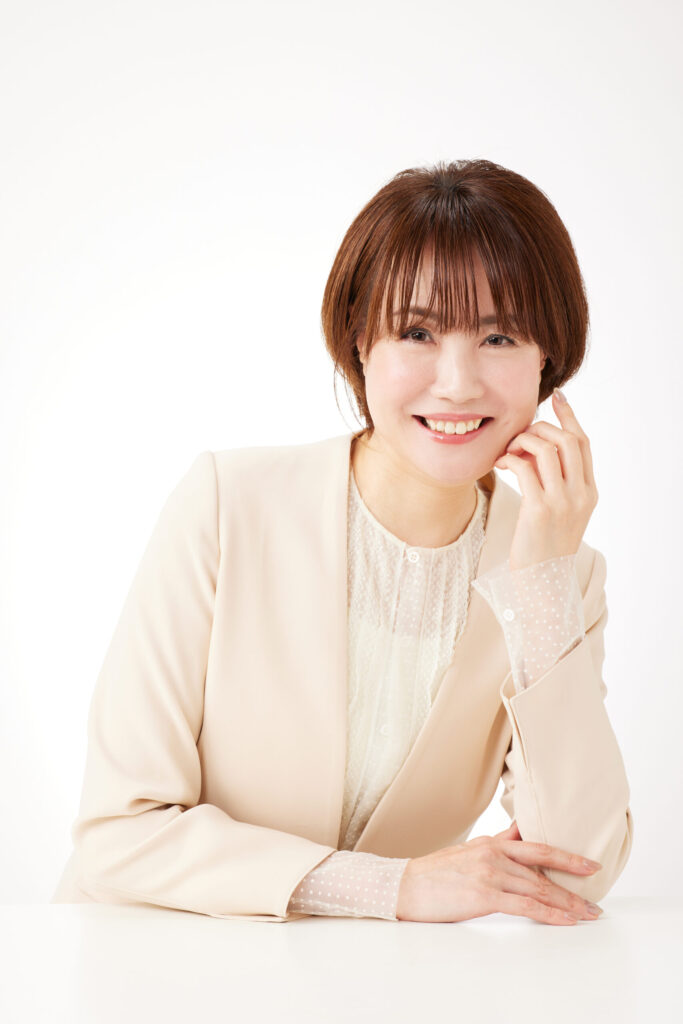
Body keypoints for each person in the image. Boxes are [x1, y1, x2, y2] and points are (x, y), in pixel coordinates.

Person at [52, 158, 633, 925]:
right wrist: (394, 886)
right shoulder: (227, 506)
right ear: (359, 340)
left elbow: (574, 872)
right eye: (417, 332)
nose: (457, 383)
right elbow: (119, 833)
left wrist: (541, 583)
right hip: (143, 959)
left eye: (498, 336)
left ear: (546, 360)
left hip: (357, 982)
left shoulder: (559, 576)